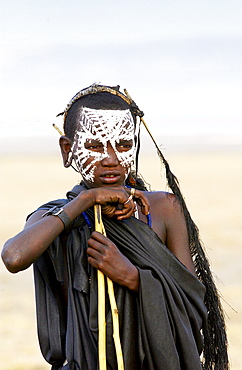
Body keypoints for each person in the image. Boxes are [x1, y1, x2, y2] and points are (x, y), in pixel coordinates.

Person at [2, 84, 228, 369]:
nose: (110, 160)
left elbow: (193, 305)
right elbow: (13, 257)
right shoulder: (55, 219)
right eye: (95, 146)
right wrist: (88, 199)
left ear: (135, 146)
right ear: (67, 149)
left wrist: (132, 277)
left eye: (122, 145)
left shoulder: (162, 209)